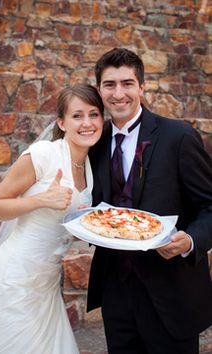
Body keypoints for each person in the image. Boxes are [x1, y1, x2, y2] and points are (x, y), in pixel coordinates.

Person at [87, 48, 212, 354]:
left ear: (142, 87)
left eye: (127, 83)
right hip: (116, 292)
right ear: (100, 90)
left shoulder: (178, 137)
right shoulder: (94, 141)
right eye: (110, 84)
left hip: (172, 296)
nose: (119, 94)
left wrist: (190, 241)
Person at [0, 84, 104, 354]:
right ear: (62, 122)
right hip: (16, 278)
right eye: (77, 116)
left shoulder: (90, 164)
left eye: (94, 114)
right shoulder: (44, 153)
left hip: (46, 283)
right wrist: (40, 200)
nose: (87, 123)